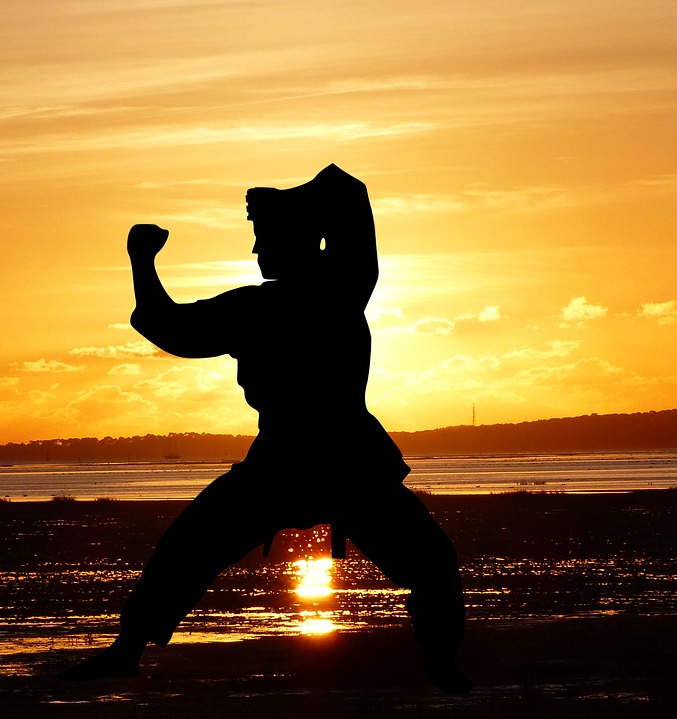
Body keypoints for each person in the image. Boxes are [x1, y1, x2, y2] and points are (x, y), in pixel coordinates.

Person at [60, 164, 469, 693]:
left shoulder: (333, 288)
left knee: (431, 562)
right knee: (187, 548)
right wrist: (143, 261)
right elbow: (172, 328)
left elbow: (346, 190)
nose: (256, 250)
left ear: (304, 238)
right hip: (310, 463)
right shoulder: (322, 291)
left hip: (332, 463)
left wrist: (145, 258)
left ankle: (440, 657)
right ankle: (126, 650)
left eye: (265, 237)